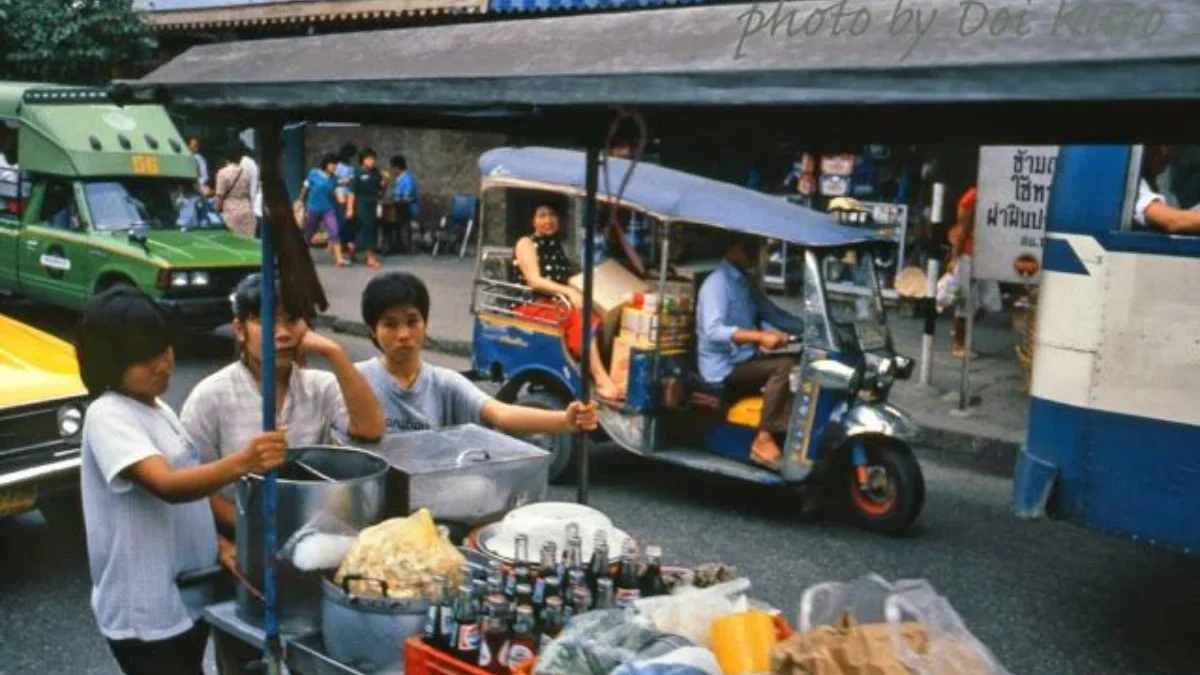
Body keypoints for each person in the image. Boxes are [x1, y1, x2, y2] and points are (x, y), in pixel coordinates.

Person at [76, 286, 287, 675]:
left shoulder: (155, 408)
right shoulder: (107, 415)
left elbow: (193, 490)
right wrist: (244, 460)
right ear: (108, 363)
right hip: (146, 612)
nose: (162, 364)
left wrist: (218, 543)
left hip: (185, 592)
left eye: (164, 348)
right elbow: (168, 485)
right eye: (143, 358)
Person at [179, 273, 384, 674]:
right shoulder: (212, 396)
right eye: (266, 321)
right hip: (242, 558)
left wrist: (335, 353)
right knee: (243, 659)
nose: (283, 332)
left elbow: (371, 427)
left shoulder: (320, 386)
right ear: (240, 330)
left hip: (314, 555)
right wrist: (229, 538)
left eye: (294, 320)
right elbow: (192, 481)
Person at [358, 271, 598, 435]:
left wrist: (565, 420)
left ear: (425, 323)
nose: (403, 334)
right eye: (390, 324)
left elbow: (501, 413)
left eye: (412, 321)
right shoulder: (355, 380)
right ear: (372, 330)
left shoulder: (443, 383)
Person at [696, 233, 804, 471]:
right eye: (751, 248)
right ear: (733, 247)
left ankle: (789, 433)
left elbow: (772, 314)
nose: (758, 254)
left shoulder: (744, 282)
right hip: (723, 369)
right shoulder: (716, 284)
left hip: (746, 359)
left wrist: (813, 328)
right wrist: (760, 337)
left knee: (799, 362)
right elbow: (712, 331)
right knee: (783, 367)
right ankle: (763, 439)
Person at [513, 203, 625, 401]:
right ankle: (600, 379)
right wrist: (568, 292)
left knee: (599, 315)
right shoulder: (526, 243)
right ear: (533, 221)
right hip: (532, 305)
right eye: (542, 215)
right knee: (581, 318)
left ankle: (604, 371)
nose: (548, 221)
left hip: (556, 304)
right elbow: (534, 280)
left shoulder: (558, 246)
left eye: (552, 215)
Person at [1135, 145, 1200, 235]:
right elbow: (1173, 221)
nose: (1165, 152)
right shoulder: (1132, 187)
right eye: (1159, 145)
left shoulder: (1169, 197)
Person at [296, 153, 346, 266]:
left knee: (335, 232)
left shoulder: (334, 179)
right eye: (332, 164)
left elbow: (337, 191)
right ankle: (300, 256)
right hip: (313, 209)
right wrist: (300, 200)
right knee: (308, 234)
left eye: (336, 165)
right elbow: (305, 188)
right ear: (326, 164)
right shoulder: (313, 174)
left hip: (328, 209)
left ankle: (339, 259)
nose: (334, 167)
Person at [346, 147, 384, 268]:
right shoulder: (356, 173)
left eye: (374, 159)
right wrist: (350, 208)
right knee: (366, 230)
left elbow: (380, 189)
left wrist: (385, 181)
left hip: (373, 204)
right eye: (369, 159)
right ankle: (370, 258)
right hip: (361, 204)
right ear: (363, 160)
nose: (372, 161)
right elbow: (351, 192)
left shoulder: (376, 173)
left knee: (371, 229)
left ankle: (352, 247)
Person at [214, 145, 255, 239]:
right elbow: (248, 193)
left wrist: (217, 211)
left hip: (230, 211)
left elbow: (220, 196)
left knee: (234, 243)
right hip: (247, 210)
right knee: (248, 244)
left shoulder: (222, 173)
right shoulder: (245, 173)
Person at [335, 143, 359, 262]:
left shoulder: (351, 167)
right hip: (340, 196)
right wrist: (346, 180)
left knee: (349, 222)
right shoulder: (338, 166)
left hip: (350, 196)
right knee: (341, 222)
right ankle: (343, 247)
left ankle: (349, 246)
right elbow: (335, 181)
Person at [392, 154, 419, 253]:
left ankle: (405, 247)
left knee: (402, 224)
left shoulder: (407, 179)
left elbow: (406, 196)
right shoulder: (399, 179)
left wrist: (398, 198)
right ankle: (398, 246)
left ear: (397, 168)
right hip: (401, 207)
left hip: (408, 208)